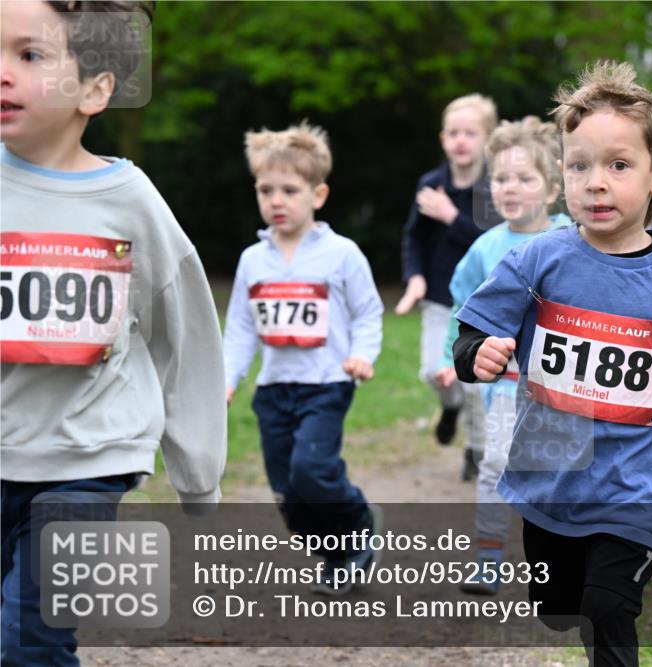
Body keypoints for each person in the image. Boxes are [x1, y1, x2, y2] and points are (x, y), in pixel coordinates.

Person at [453, 61, 652, 667]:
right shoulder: (541, 258)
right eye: (579, 165)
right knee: (560, 606)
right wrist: (473, 355)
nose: (595, 182)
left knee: (609, 606)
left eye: (618, 165)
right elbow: (477, 322)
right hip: (553, 473)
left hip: (641, 482)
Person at [0, 2, 226, 664]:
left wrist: (198, 471)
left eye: (30, 55)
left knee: (28, 639)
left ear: (96, 89)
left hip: (91, 455)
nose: (2, 73)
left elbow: (185, 334)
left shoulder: (129, 201)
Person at [223, 122, 383, 595]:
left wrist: (361, 356)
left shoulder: (342, 253)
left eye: (289, 190)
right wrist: (227, 380)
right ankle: (339, 556)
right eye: (265, 190)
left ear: (318, 194)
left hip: (326, 383)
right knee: (289, 497)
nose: (276, 200)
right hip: (273, 391)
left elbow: (368, 313)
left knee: (312, 471)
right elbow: (240, 328)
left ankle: (357, 522)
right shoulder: (253, 260)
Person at [433, 116, 570, 595]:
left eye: (524, 179)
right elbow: (463, 306)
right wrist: (458, 356)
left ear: (553, 186)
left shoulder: (574, 241)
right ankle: (488, 558)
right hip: (508, 386)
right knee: (495, 464)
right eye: (501, 179)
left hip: (566, 388)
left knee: (560, 473)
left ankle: (566, 556)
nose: (509, 188)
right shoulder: (484, 248)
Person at [395, 94, 503, 480]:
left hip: (482, 303)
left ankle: (475, 450)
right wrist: (415, 278)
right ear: (443, 139)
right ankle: (450, 404)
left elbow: (493, 240)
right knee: (431, 371)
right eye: (454, 133)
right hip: (440, 298)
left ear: (487, 140)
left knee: (476, 383)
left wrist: (452, 216)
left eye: (470, 133)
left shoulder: (494, 189)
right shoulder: (430, 185)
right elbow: (414, 238)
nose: (461, 140)